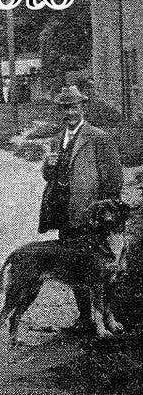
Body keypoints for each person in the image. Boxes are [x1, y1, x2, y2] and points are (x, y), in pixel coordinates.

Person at [37, 84, 124, 334]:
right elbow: (49, 178)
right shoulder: (56, 140)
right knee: (75, 268)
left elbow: (113, 180)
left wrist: (105, 214)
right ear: (60, 111)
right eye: (64, 107)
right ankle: (85, 317)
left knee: (102, 269)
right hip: (65, 215)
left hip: (92, 219)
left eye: (73, 106)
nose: (69, 112)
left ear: (82, 107)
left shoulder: (98, 137)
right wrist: (48, 167)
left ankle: (107, 315)